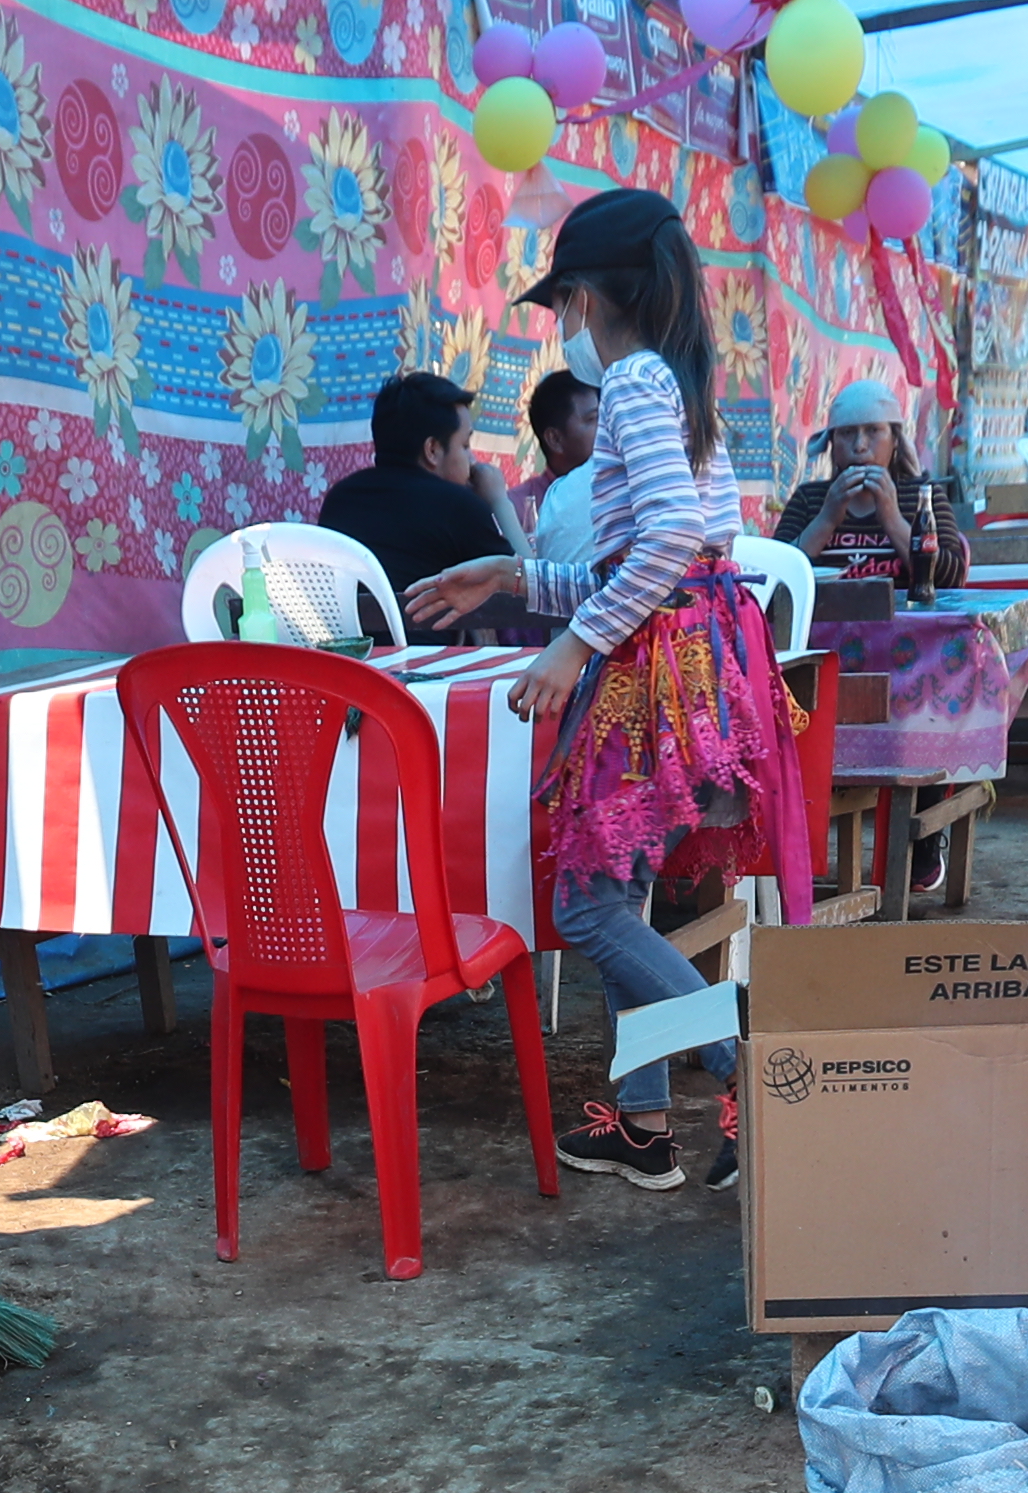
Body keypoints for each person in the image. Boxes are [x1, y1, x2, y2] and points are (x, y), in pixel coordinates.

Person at [404, 186, 793, 1194]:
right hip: (692, 648)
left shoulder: (631, 385)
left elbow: (665, 546)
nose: (561, 324)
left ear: (592, 295)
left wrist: (570, 648)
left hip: (651, 670)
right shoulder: (677, 382)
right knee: (618, 894)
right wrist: (514, 579)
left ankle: (749, 1064)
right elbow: (664, 555)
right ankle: (645, 1126)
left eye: (563, 304)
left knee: (584, 908)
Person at [315, 369, 516, 602]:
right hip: (424, 640)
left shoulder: (339, 500)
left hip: (354, 639)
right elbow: (529, 589)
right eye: (465, 445)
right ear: (432, 450)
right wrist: (499, 500)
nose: (472, 460)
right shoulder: (457, 505)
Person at [773, 375, 929, 593]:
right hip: (823, 625)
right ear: (832, 443)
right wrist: (826, 519)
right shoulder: (808, 500)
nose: (859, 446)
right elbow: (773, 577)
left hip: (908, 626)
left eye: (873, 431)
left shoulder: (924, 497)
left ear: (895, 440)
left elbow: (950, 578)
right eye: (847, 433)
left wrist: (892, 518)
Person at [517, 365, 598, 529]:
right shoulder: (518, 509)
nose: (606, 428)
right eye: (593, 419)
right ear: (554, 439)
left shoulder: (619, 494)